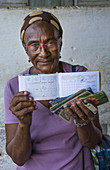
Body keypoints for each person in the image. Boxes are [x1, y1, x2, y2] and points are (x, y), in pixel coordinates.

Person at [4, 11, 102, 170]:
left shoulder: (80, 77)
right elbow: (19, 158)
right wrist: (23, 124)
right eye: (34, 45)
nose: (43, 53)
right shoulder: (15, 87)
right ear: (26, 49)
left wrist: (82, 120)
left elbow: (92, 142)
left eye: (50, 42)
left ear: (60, 43)